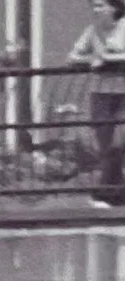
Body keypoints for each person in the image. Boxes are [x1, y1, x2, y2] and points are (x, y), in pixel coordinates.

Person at [70, 0, 125, 207]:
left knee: (119, 144)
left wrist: (109, 59)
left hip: (123, 94)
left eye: (100, 5)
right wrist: (92, 58)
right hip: (101, 93)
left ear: (115, 8)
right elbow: (73, 57)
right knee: (105, 146)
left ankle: (104, 193)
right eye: (93, 5)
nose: (95, 10)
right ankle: (117, 195)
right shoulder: (92, 31)